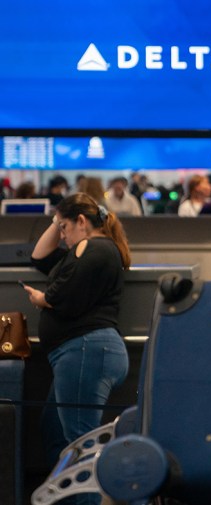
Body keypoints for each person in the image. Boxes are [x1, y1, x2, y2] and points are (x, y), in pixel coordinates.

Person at [23, 193, 131, 505]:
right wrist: (59, 218)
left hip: (86, 351)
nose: (63, 236)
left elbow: (59, 295)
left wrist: (42, 300)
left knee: (80, 445)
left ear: (82, 222)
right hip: (80, 354)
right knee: (56, 431)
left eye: (66, 228)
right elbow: (39, 257)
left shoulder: (94, 248)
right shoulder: (86, 252)